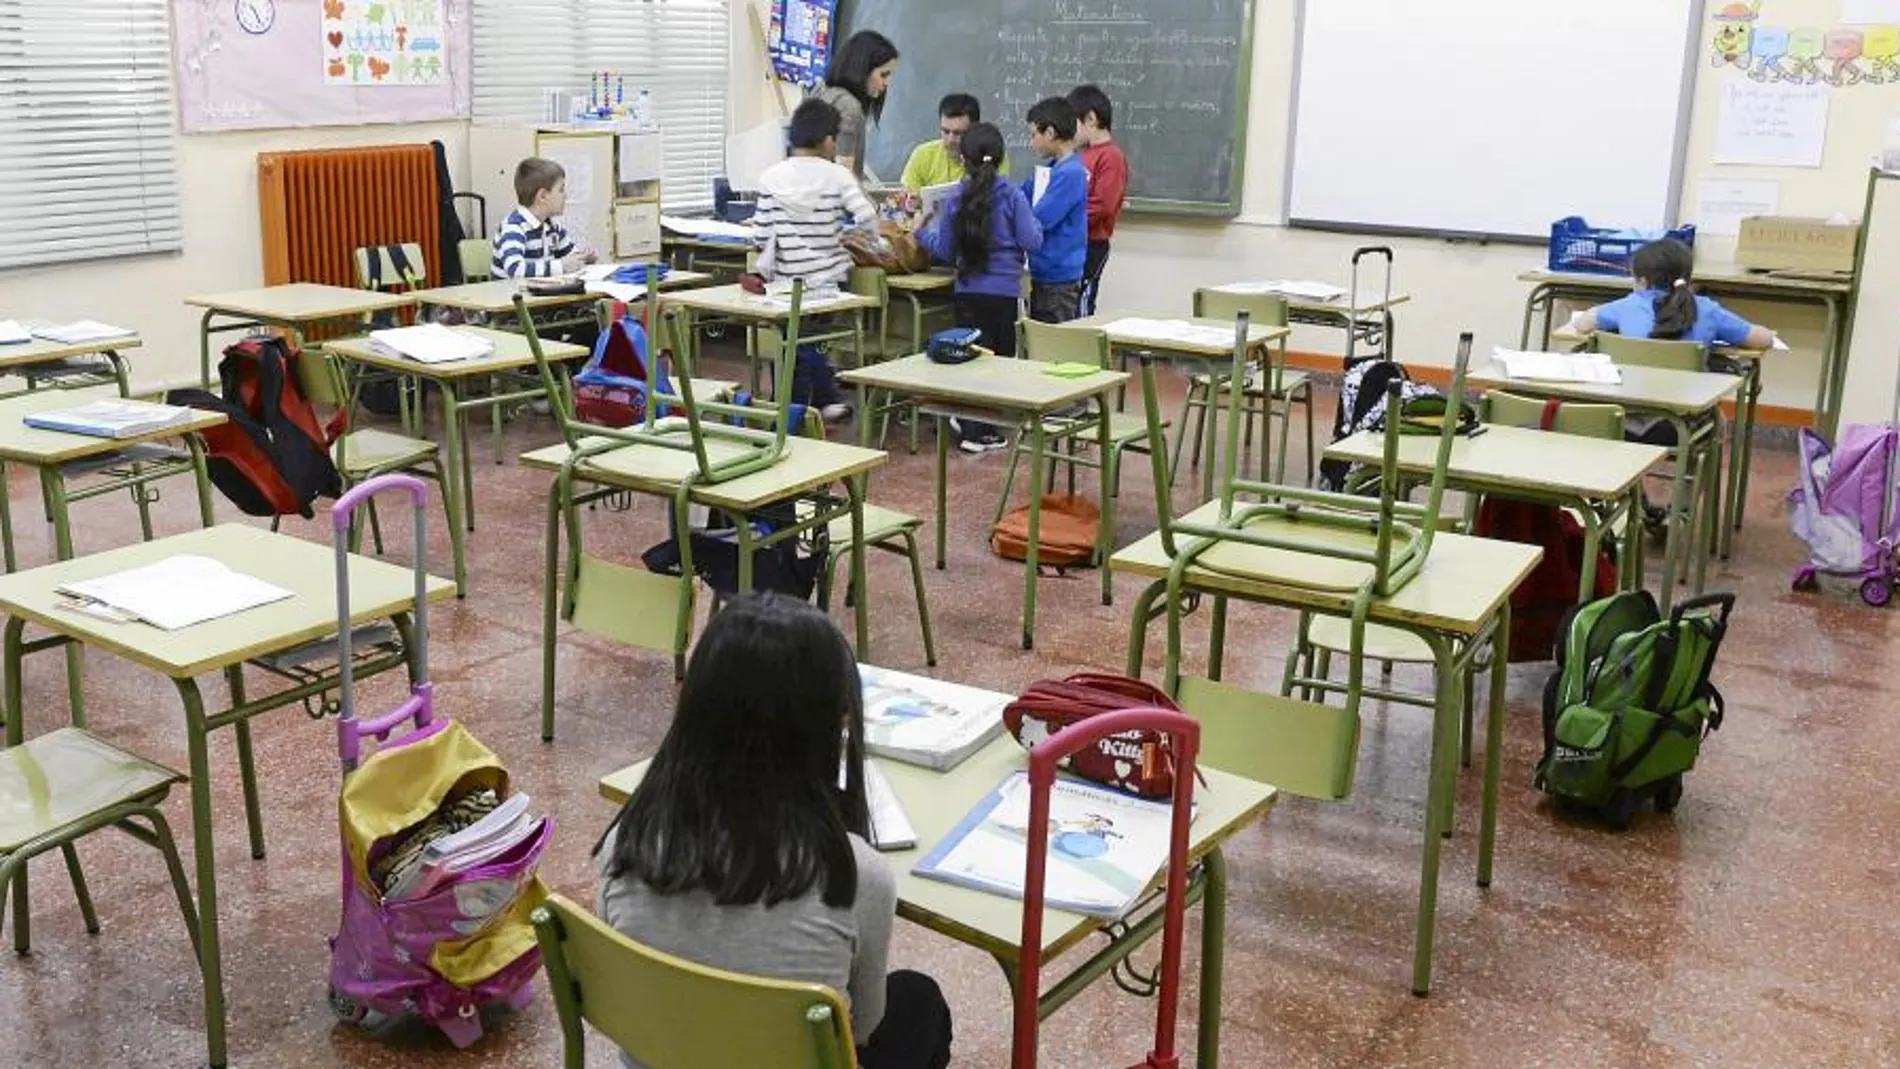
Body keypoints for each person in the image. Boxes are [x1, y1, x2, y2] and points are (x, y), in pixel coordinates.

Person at [595, 593, 954, 1069]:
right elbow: (862, 1029)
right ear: (830, 725)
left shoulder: (626, 841)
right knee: (919, 1002)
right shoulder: (856, 875)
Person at [1570, 237, 1776, 532]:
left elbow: (1582, 325)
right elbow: (1762, 339)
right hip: (1680, 428)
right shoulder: (1706, 310)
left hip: (1621, 421)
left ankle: (1638, 508)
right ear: (1687, 277)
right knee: (1714, 426)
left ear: (1640, 280)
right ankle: (1679, 513)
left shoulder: (1626, 307)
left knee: (1620, 440)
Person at [918, 122, 1041, 454]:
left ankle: (970, 421)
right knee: (999, 363)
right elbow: (1033, 240)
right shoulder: (1012, 195)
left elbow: (944, 250)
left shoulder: (956, 197)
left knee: (970, 361)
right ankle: (980, 431)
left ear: (964, 160)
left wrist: (920, 233)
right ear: (1000, 159)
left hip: (967, 292)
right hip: (1003, 294)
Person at [755, 98, 879, 420]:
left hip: (784, 282)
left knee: (796, 342)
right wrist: (876, 242)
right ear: (827, 140)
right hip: (827, 280)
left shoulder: (771, 177)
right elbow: (865, 213)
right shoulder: (837, 175)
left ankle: (819, 401)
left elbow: (760, 234)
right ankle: (800, 410)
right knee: (808, 344)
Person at [1020, 97, 1089, 324]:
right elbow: (1019, 195)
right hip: (1044, 273)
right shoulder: (1051, 168)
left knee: (1052, 347)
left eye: (1033, 135)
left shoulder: (1071, 174)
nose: (1032, 142)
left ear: (1050, 132)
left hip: (1058, 279)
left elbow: (1040, 219)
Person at [1067, 84, 1129, 317]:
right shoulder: (1083, 154)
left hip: (1092, 243)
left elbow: (1102, 206)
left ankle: (1083, 349)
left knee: (1083, 299)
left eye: (1074, 122)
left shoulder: (1111, 156)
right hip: (1075, 240)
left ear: (1091, 119)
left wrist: (1069, 220)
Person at [815, 30, 900, 184]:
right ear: (863, 68)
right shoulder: (850, 108)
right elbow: (843, 182)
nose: (886, 84)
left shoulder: (820, 90)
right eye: (883, 75)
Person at [491, 157, 597, 279]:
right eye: (561, 190)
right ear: (542, 196)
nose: (566, 196)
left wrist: (583, 258)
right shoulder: (513, 227)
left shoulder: (553, 226)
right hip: (510, 295)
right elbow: (515, 269)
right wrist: (561, 266)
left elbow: (571, 258)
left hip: (540, 295)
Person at [900, 93, 998, 191]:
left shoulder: (991, 155)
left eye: (958, 133)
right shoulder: (922, 155)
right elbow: (905, 198)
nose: (950, 140)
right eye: (945, 131)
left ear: (975, 129)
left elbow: (1000, 199)